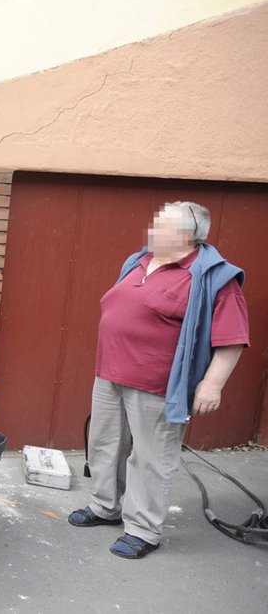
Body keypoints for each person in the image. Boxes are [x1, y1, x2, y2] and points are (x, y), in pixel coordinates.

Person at [68, 201, 249, 558]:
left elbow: (232, 339)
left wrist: (212, 384)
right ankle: (106, 507)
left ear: (186, 234)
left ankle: (143, 530)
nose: (151, 228)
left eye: (160, 224)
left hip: (160, 385)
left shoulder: (214, 276)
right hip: (110, 374)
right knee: (105, 445)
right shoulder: (137, 262)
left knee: (151, 458)